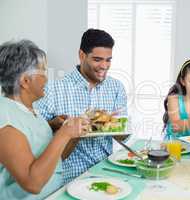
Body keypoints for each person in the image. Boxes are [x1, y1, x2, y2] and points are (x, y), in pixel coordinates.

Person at [35, 29, 127, 183]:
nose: (104, 66)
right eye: (97, 59)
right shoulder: (54, 88)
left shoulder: (116, 87)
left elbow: (123, 136)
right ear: (82, 55)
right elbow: (36, 134)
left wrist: (111, 123)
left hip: (107, 172)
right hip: (68, 178)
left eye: (108, 60)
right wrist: (55, 124)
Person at [0, 40, 89, 199]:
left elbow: (53, 161)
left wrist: (73, 134)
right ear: (25, 81)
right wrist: (64, 134)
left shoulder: (31, 112)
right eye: (43, 72)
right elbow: (32, 183)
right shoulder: (4, 118)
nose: (47, 80)